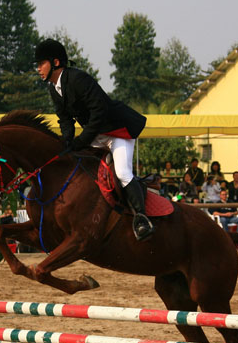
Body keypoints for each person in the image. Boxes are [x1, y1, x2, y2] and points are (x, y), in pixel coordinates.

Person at [35, 38, 153, 241]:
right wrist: (67, 142)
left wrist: (81, 141)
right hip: (95, 136)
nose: (37, 69)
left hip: (116, 132)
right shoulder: (54, 88)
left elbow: (99, 111)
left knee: (123, 172)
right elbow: (65, 120)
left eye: (40, 64)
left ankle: (141, 219)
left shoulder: (78, 79)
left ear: (55, 63)